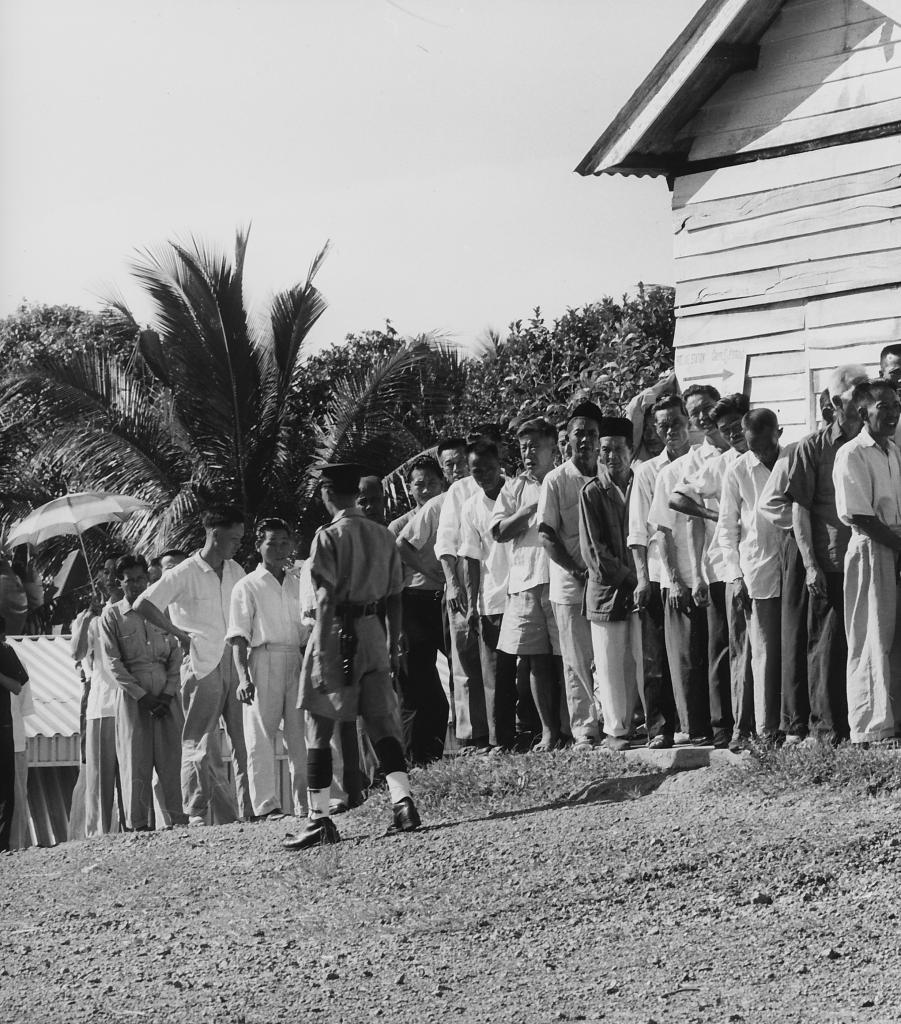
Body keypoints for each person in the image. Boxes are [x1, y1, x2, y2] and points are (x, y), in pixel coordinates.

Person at [284, 463, 419, 850]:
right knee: (381, 723)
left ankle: (319, 819)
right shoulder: (382, 534)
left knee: (319, 727)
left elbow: (325, 600)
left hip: (338, 635)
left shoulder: (328, 537)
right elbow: (395, 595)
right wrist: (392, 645)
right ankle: (403, 803)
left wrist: (324, 654)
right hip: (375, 634)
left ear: (327, 493)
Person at [135, 506, 252, 826]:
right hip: (200, 662)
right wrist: (178, 634)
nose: (238, 544)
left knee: (243, 740)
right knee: (200, 741)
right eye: (234, 538)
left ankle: (250, 810)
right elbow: (142, 603)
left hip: (234, 660)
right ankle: (196, 812)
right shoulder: (183, 572)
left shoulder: (236, 569)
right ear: (215, 535)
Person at [784, 365, 868, 744]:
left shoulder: (874, 444)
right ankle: (826, 732)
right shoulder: (811, 449)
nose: (865, 399)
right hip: (831, 561)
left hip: (866, 559)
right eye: (856, 393)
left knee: (862, 645)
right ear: (836, 402)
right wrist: (811, 565)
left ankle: (859, 726)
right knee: (827, 648)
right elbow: (798, 510)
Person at [670, 393, 751, 752]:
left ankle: (755, 721)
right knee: (723, 648)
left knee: (755, 647)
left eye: (738, 427)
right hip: (723, 566)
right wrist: (714, 516)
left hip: (760, 565)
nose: (733, 433)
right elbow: (678, 498)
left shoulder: (766, 454)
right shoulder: (720, 463)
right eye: (726, 429)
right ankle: (724, 725)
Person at [833, 379, 901, 744]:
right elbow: (860, 515)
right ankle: (870, 727)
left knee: (894, 638)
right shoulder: (852, 454)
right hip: (872, 549)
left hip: (895, 544)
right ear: (863, 413)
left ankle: (894, 720)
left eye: (896, 405)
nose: (892, 413)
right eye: (883, 406)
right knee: (871, 634)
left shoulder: (892, 451)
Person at [227, 518, 309, 821]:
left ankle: (306, 804)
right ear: (259, 546)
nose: (278, 549)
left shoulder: (298, 582)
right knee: (260, 735)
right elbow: (238, 636)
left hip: (295, 658)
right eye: (271, 543)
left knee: (300, 735)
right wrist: (243, 678)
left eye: (284, 542)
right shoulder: (246, 585)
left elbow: (306, 629)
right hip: (263, 657)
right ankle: (267, 807)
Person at [491, 418, 565, 750]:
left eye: (535, 446)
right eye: (523, 447)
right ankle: (549, 731)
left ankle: (577, 728)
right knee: (535, 659)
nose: (528, 453)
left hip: (562, 577)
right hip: (525, 581)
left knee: (569, 657)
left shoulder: (565, 477)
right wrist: (526, 511)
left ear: (553, 447)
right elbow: (498, 532)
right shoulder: (514, 488)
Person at [100, 555, 186, 830]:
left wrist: (168, 692)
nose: (137, 585)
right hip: (133, 696)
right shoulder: (111, 615)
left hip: (166, 694)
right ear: (120, 583)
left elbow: (176, 654)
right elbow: (113, 663)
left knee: (173, 758)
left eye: (141, 579)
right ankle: (139, 825)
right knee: (135, 760)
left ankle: (179, 820)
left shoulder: (162, 610)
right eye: (130, 581)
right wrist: (142, 696)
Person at [716, 409, 787, 745]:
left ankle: (790, 725)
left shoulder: (791, 459)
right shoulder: (739, 469)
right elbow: (727, 528)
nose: (760, 452)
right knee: (762, 653)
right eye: (752, 445)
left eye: (765, 445)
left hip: (793, 566)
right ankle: (763, 729)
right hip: (757, 571)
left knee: (791, 649)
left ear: (779, 432)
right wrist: (734, 574)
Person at [538, 402, 603, 749]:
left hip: (605, 584)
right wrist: (577, 570)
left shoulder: (606, 474)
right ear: (568, 438)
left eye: (593, 434)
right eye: (580, 433)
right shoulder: (556, 480)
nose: (587, 440)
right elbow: (547, 534)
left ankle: (614, 722)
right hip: (570, 586)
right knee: (577, 661)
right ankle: (585, 730)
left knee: (608, 654)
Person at [647, 395, 710, 744]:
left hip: (712, 571)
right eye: (663, 425)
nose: (670, 430)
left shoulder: (707, 460)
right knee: (685, 659)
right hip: (681, 577)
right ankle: (694, 728)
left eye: (675, 422)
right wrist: (673, 580)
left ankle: (716, 724)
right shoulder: (665, 474)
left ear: (688, 422)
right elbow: (662, 531)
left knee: (712, 654)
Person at [578, 417, 643, 751]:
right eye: (606, 450)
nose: (612, 455)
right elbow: (595, 553)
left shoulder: (642, 483)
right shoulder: (591, 492)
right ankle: (616, 730)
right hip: (608, 592)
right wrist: (634, 578)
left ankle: (636, 723)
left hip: (641, 589)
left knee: (638, 659)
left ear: (631, 451)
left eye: (619, 448)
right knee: (608, 661)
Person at [395, 457, 451, 763]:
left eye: (432, 482)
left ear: (442, 483)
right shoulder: (401, 525)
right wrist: (431, 574)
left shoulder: (449, 510)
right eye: (420, 484)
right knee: (416, 691)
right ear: (409, 488)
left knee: (452, 687)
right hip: (413, 603)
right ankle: (414, 761)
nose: (427, 490)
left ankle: (435, 756)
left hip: (444, 601)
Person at [460, 440, 514, 750]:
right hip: (492, 597)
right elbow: (470, 558)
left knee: (534, 667)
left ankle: (538, 730)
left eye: (489, 468)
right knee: (495, 673)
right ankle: (500, 739)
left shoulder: (517, 492)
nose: (484, 476)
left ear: (500, 463)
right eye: (477, 471)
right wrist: (472, 605)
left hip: (525, 588)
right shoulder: (470, 506)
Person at [434, 437, 487, 748]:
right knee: (465, 664)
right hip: (462, 586)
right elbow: (445, 542)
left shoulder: (506, 482)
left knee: (499, 663)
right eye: (449, 465)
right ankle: (471, 736)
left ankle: (501, 729)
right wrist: (452, 584)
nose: (456, 469)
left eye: (459, 462)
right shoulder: (459, 490)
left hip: (496, 584)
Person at [71, 591, 120, 836]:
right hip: (102, 705)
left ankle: (137, 827)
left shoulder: (143, 608)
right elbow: (77, 654)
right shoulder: (91, 618)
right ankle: (98, 833)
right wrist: (89, 618)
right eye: (107, 574)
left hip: (137, 703)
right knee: (98, 777)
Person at [0, 616, 29, 852]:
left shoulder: (7, 652)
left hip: (6, 733)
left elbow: (19, 688)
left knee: (8, 794)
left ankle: (7, 848)